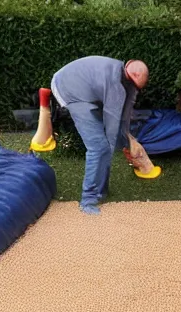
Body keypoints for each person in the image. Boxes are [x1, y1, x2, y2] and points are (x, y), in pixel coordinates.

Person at [51, 56, 149, 215]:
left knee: (104, 146)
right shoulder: (115, 85)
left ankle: (102, 191)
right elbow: (111, 130)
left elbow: (124, 117)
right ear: (132, 76)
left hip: (85, 88)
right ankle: (88, 199)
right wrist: (125, 145)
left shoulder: (126, 80)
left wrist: (129, 140)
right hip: (68, 87)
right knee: (98, 146)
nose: (135, 90)